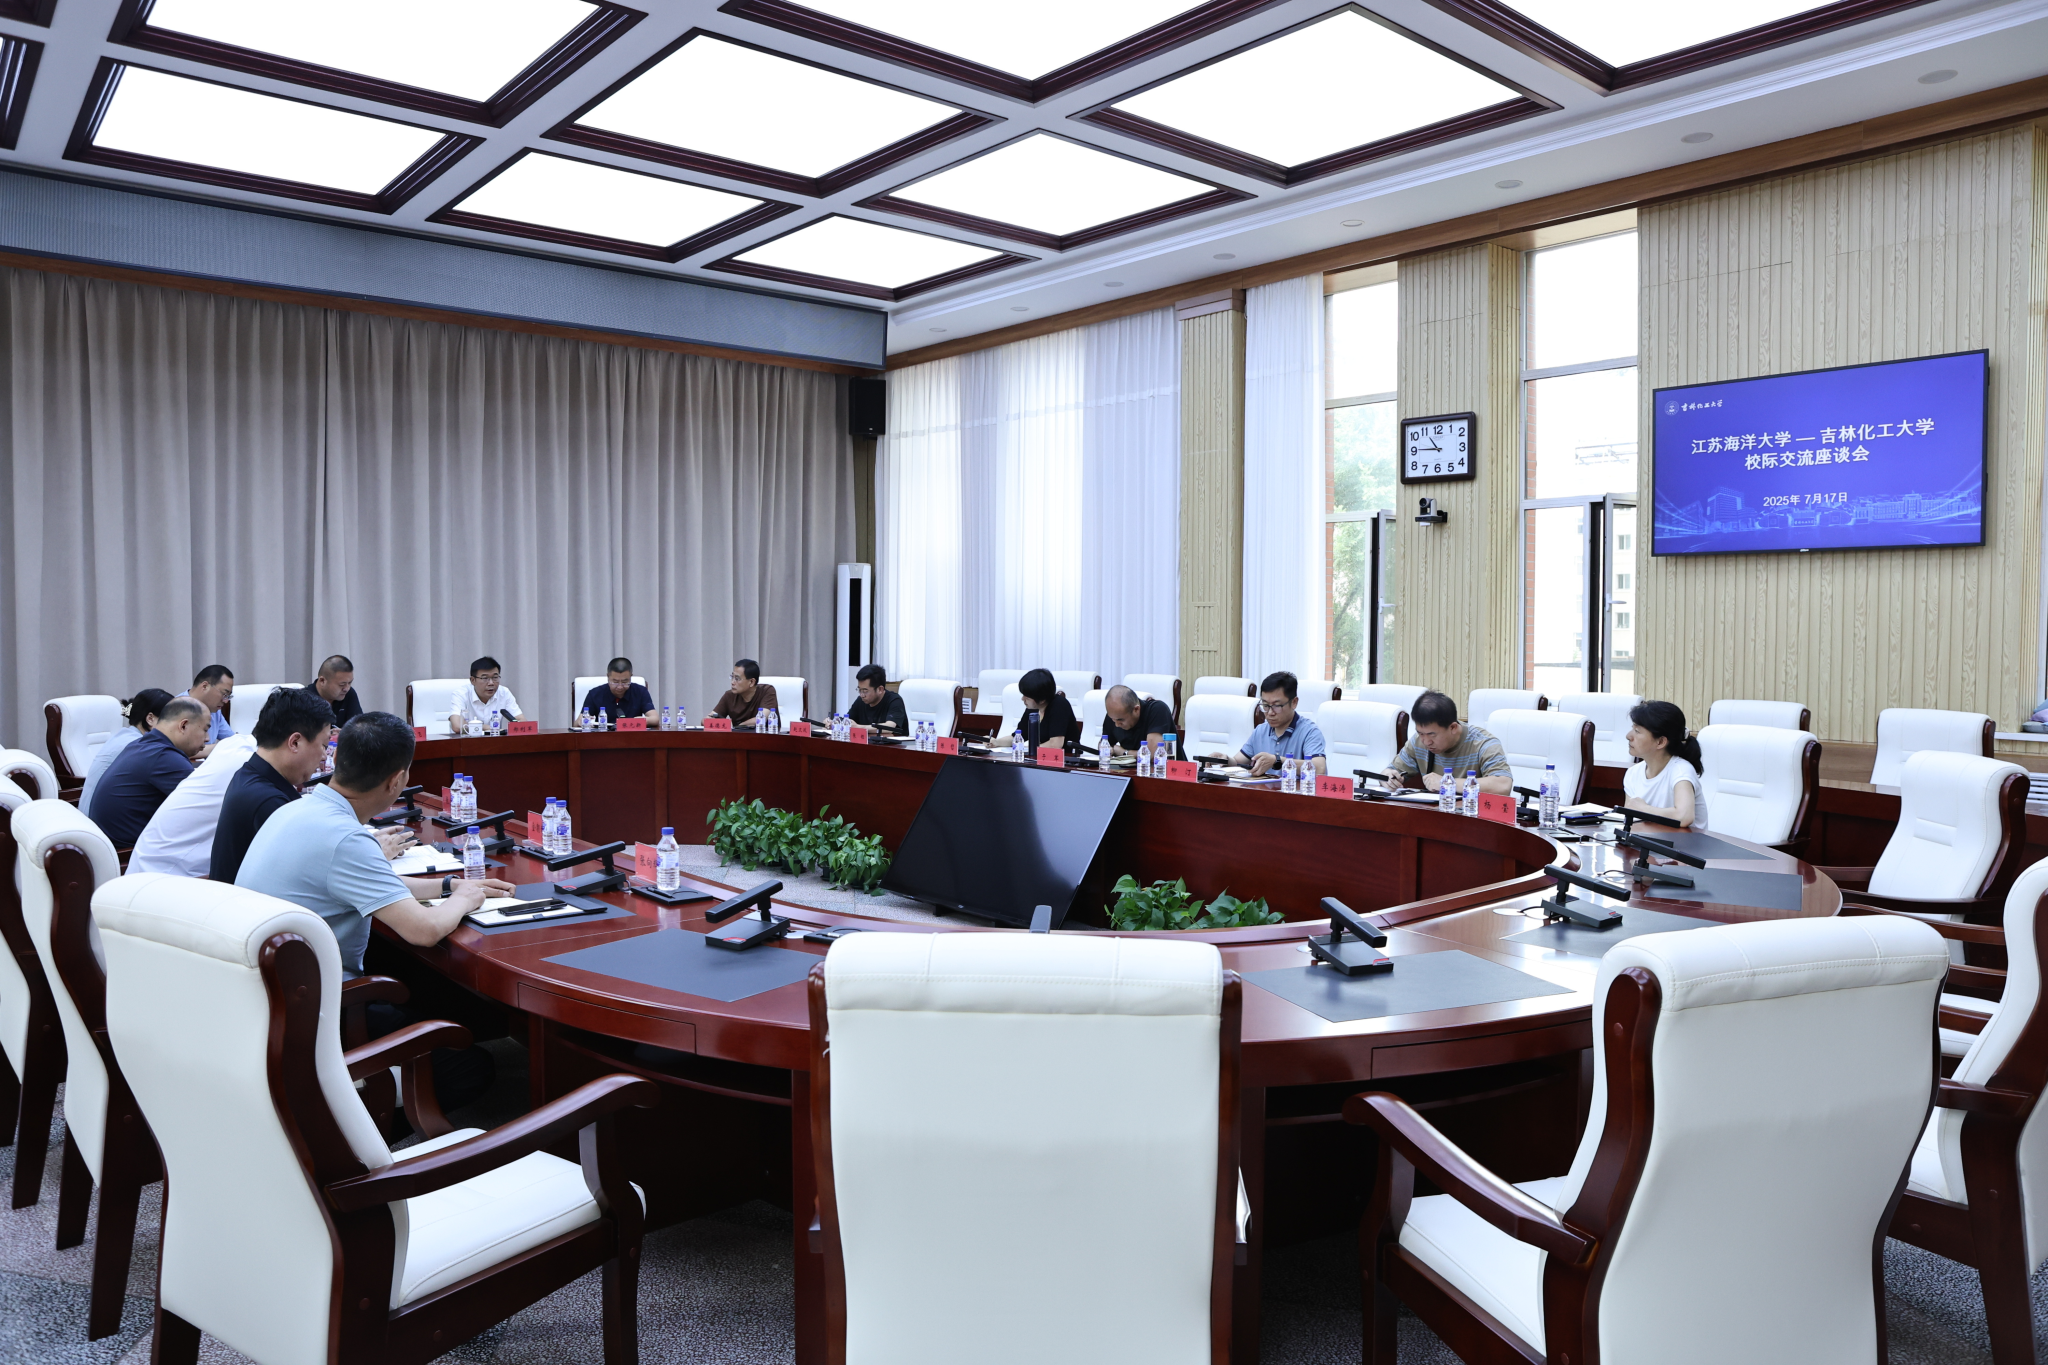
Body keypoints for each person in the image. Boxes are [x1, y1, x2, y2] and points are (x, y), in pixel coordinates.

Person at [236, 712, 513, 1110]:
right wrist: (465, 899)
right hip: (320, 1016)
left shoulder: (299, 809)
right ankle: (354, 1125)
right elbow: (424, 930)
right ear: (396, 781)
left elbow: (369, 885)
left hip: (271, 1002)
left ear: (337, 757)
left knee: (430, 996)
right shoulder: (346, 838)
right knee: (471, 1068)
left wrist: (449, 886)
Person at [209, 686, 340, 883]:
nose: (323, 756)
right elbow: (315, 873)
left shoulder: (249, 774)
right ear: (294, 742)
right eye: (323, 745)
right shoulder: (269, 801)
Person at [127, 731, 259, 877]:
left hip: (144, 866)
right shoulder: (249, 764)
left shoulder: (233, 745)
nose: (208, 738)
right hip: (165, 877)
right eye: (205, 729)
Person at [88, 696, 210, 846]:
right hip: (130, 852)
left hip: (115, 842)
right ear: (183, 726)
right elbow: (207, 808)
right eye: (205, 730)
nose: (207, 738)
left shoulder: (142, 744)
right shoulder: (164, 757)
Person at [1383, 690, 1513, 795]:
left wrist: (1447, 783)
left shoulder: (1483, 743)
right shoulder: (1418, 741)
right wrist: (1388, 778)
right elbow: (1390, 771)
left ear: (1453, 728)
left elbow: (1503, 785)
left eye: (1432, 735)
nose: (1426, 742)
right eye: (1421, 733)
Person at [79, 688, 173, 814]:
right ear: (150, 719)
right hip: (100, 819)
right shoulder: (140, 746)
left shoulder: (125, 736)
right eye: (171, 719)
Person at [1622, 700, 1708, 831]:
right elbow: (1631, 820)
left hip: (1684, 843)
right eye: (1632, 728)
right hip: (1649, 840)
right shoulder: (1632, 773)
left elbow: (1684, 816)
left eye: (1637, 731)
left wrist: (1643, 809)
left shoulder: (1681, 770)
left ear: (1661, 742)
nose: (1628, 736)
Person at [1238, 671, 1326, 777]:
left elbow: (1319, 768)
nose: (1270, 713)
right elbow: (1237, 761)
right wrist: (1224, 760)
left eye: (1277, 706)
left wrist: (1277, 761)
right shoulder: (1260, 731)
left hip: (1294, 787)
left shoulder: (1309, 731)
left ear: (1294, 702)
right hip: (1265, 787)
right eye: (1265, 705)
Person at [450, 656, 525, 733]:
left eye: (495, 677)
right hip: (467, 739)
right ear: (473, 680)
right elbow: (457, 726)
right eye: (485, 678)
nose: (491, 683)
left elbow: (522, 722)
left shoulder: (504, 693)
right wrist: (488, 728)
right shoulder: (461, 694)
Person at [1101, 684, 1176, 759]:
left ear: (1136, 709)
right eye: (1112, 719)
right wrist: (1108, 750)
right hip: (1129, 766)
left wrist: (1124, 753)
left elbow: (1152, 754)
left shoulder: (1157, 710)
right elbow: (1103, 743)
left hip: (1166, 766)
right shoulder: (1115, 715)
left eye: (1120, 720)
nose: (1116, 724)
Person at [1013, 669, 1078, 751]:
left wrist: (1030, 749)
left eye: (1027, 697)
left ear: (1042, 699)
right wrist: (997, 742)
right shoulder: (1033, 708)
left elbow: (1056, 745)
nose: (1023, 699)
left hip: (1067, 757)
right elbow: (1018, 737)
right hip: (1042, 756)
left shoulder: (1059, 705)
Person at [580, 657, 657, 723]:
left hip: (632, 734)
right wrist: (583, 721)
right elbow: (578, 722)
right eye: (615, 682)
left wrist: (637, 721)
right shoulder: (595, 694)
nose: (620, 687)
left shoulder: (640, 691)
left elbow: (655, 719)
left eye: (624, 682)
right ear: (608, 676)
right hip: (604, 734)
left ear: (631, 677)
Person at [180, 664, 235, 754]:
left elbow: (232, 740)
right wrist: (222, 747)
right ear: (205, 686)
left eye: (228, 696)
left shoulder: (214, 710)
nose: (225, 701)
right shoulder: (176, 708)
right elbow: (181, 750)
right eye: (224, 694)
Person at [710, 659, 779, 729]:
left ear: (751, 682)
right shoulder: (729, 695)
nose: (732, 682)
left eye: (737, 678)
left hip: (764, 734)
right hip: (738, 735)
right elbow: (709, 719)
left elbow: (761, 719)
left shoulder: (767, 691)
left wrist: (736, 727)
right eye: (732, 677)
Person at [302, 654, 364, 728]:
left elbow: (360, 728)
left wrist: (343, 733)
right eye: (342, 684)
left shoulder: (349, 694)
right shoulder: (303, 700)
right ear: (322, 681)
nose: (346, 688)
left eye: (350, 683)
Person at [847, 664, 908, 733]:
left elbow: (890, 727)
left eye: (865, 691)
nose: (862, 695)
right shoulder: (861, 701)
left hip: (891, 740)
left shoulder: (895, 701)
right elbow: (848, 721)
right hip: (868, 740)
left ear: (880, 689)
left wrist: (859, 727)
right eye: (859, 690)